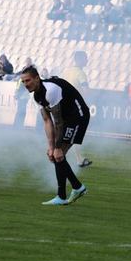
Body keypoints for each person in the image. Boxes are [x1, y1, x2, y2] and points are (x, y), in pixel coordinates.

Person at [19, 66, 89, 206]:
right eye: (23, 82)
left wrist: (57, 147)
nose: (26, 84)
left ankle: (75, 188)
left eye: (28, 80)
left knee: (59, 154)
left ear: (37, 78)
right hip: (65, 119)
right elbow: (47, 121)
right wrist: (51, 147)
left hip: (78, 117)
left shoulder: (50, 91)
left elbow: (58, 122)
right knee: (56, 156)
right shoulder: (37, 96)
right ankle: (66, 193)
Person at [61, 51, 92, 168]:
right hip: (75, 107)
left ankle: (78, 158)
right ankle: (64, 157)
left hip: (64, 105)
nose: (87, 60)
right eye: (86, 58)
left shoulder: (67, 71)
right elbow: (86, 90)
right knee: (75, 133)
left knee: (69, 132)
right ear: (80, 59)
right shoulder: (81, 73)